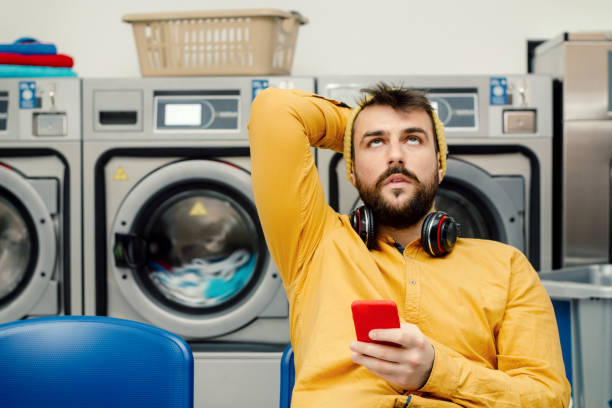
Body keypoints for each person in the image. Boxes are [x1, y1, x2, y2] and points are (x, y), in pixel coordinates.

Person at [248, 83, 571, 407]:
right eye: (376, 142)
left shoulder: (507, 267)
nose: (396, 155)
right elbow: (275, 110)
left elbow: (549, 399)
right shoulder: (315, 243)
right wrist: (357, 124)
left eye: (413, 139)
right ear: (351, 169)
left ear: (440, 163)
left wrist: (437, 370)